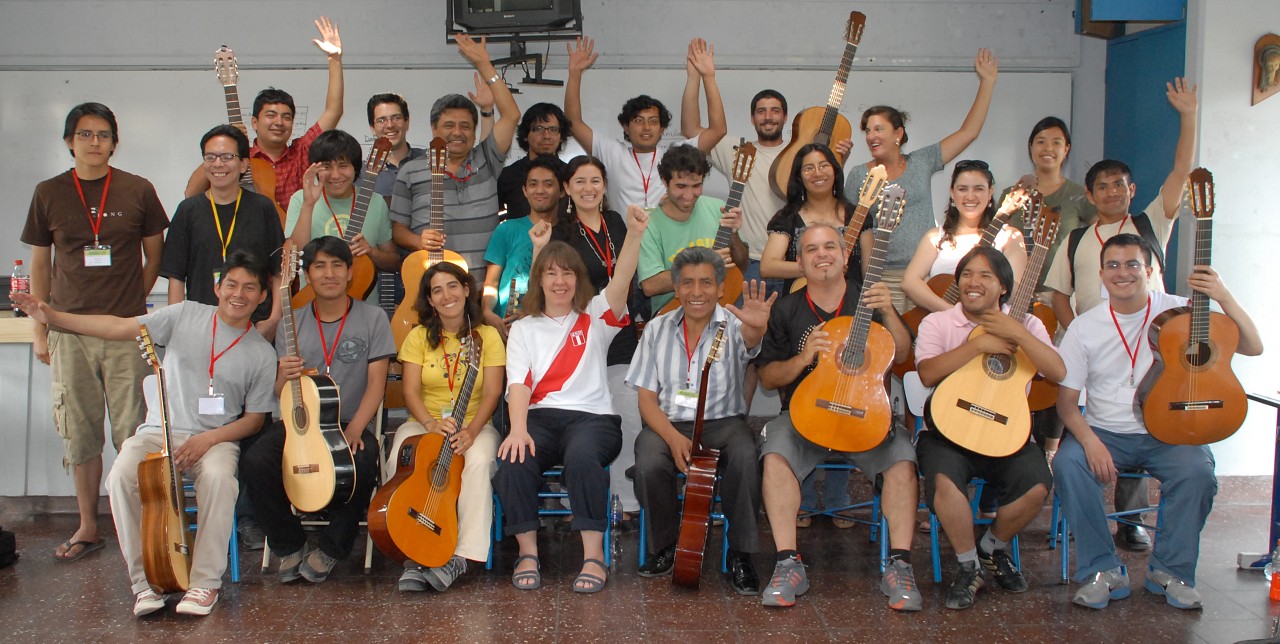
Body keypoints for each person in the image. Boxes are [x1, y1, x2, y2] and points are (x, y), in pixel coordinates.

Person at [14, 251, 278, 617]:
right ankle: (144, 584)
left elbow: (253, 420)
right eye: (231, 284)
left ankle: (204, 584)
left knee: (220, 479)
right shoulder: (184, 314)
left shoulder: (262, 354)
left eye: (250, 288)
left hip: (215, 439)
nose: (239, 293)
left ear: (263, 297)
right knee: (121, 475)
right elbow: (117, 327)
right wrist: (51, 317)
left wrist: (207, 440)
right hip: (158, 431)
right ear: (217, 287)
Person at [1053, 234, 1262, 610]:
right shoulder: (1085, 327)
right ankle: (1103, 570)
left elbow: (1252, 345)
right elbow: (1067, 404)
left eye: (1133, 264)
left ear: (1149, 271)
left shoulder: (1182, 313)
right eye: (1113, 265)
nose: (1123, 273)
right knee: (1068, 465)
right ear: (1101, 274)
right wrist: (1089, 441)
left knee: (1197, 472)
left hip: (1169, 431)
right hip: (1106, 432)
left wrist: (1223, 295)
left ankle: (1170, 572)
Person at [1043, 78, 1199, 551]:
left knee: (1146, 416)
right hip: (1094, 346)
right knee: (1091, 426)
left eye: (1119, 185)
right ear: (1089, 195)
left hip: (1153, 346)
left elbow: (1181, 171)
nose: (1111, 192)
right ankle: (1083, 513)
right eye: (1102, 186)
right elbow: (1057, 297)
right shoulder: (1074, 241)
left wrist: (1189, 116)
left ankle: (1128, 521)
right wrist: (1081, 333)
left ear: (1132, 190)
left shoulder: (1151, 223)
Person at [20, 101, 168, 563]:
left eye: (103, 135)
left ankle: (142, 528)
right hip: (68, 330)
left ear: (114, 142)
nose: (94, 142)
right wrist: (41, 329)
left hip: (126, 332)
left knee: (133, 433)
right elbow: (41, 263)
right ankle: (88, 525)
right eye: (85, 134)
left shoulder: (137, 189)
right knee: (79, 432)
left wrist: (132, 306)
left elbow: (155, 257)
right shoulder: (49, 193)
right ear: (69, 141)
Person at [754, 224, 918, 610]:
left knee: (903, 462)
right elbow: (766, 376)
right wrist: (804, 357)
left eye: (831, 247)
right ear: (800, 261)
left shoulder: (871, 299)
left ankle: (900, 565)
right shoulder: (787, 309)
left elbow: (905, 353)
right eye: (812, 249)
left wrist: (890, 309)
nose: (822, 254)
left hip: (867, 418)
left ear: (846, 256)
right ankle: (787, 564)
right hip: (803, 420)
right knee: (774, 454)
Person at [492, 204, 647, 593]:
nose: (559, 281)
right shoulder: (524, 328)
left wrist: (635, 233)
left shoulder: (595, 315)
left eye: (567, 273)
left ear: (579, 280)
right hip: (540, 419)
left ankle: (593, 556)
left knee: (582, 459)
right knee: (514, 459)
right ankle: (528, 552)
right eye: (551, 273)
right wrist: (518, 431)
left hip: (593, 420)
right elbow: (519, 385)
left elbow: (623, 277)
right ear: (539, 280)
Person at [913, 247, 1064, 609]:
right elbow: (928, 373)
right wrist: (978, 344)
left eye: (985, 276)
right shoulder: (939, 322)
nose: (973, 282)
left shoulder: (1028, 323)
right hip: (948, 432)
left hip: (1006, 432)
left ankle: (990, 548)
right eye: (967, 274)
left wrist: (1018, 334)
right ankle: (967, 566)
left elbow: (1057, 372)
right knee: (946, 484)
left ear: (1004, 288)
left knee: (1037, 485)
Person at [241, 237, 393, 584]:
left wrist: (356, 428)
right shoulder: (290, 323)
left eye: (337, 265)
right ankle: (288, 544)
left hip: (348, 421)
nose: (329, 274)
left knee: (363, 457)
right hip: (301, 426)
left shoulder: (373, 318)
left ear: (350, 272)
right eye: (320, 266)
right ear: (307, 275)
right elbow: (280, 393)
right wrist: (283, 374)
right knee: (256, 460)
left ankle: (331, 549)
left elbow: (377, 384)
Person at [627, 247, 774, 595]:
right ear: (676, 289)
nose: (697, 292)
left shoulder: (736, 324)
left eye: (706, 283)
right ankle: (666, 547)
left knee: (744, 454)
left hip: (723, 423)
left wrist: (757, 327)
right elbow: (646, 400)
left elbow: (751, 342)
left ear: (721, 288)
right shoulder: (656, 329)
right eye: (688, 283)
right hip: (669, 424)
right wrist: (674, 438)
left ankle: (742, 555)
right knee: (648, 459)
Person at [846, 48, 1000, 313]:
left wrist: (987, 82)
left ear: (898, 133)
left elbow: (969, 132)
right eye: (867, 130)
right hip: (881, 278)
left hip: (927, 275)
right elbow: (849, 228)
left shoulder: (921, 161)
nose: (871, 136)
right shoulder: (860, 175)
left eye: (878, 129)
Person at [385, 261, 504, 592]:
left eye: (453, 286)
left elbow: (493, 391)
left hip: (475, 424)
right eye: (437, 290)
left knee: (478, 461)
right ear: (430, 299)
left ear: (466, 290)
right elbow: (409, 391)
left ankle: (462, 556)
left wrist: (472, 431)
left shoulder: (488, 336)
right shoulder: (418, 337)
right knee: (401, 456)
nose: (447, 295)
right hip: (425, 422)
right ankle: (412, 551)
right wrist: (429, 423)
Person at [544, 156, 644, 528]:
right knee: (582, 422)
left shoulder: (618, 223)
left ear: (604, 185)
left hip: (621, 337)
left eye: (595, 181)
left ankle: (626, 502)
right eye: (580, 182)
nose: (589, 188)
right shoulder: (559, 232)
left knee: (629, 414)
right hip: (580, 338)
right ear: (567, 189)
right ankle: (581, 501)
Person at [389, 34, 520, 280]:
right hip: (433, 291)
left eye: (465, 126)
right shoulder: (411, 170)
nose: (457, 132)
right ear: (434, 129)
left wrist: (485, 65)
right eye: (449, 125)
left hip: (483, 290)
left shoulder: (487, 159)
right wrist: (418, 240)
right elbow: (397, 231)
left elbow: (511, 114)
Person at [185, 17, 345, 208]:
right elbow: (191, 194)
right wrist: (228, 145)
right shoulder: (238, 157)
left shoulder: (302, 151)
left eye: (286, 117)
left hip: (294, 235)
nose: (279, 122)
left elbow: (334, 111)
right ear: (254, 122)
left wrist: (334, 59)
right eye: (270, 115)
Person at [564, 36, 726, 210]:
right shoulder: (611, 153)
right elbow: (573, 122)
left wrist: (707, 77)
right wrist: (574, 73)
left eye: (653, 121)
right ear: (626, 126)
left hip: (666, 236)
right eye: (638, 121)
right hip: (624, 237)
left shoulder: (675, 156)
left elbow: (718, 130)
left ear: (662, 128)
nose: (646, 127)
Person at [163, 124, 285, 340]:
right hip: (200, 327)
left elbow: (278, 272)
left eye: (227, 156)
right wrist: (176, 323)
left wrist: (274, 320)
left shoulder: (263, 208)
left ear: (243, 164)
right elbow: (176, 276)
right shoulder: (188, 210)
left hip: (254, 326)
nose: (218, 164)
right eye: (210, 157)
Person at [901, 160, 1028, 314]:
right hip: (942, 325)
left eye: (978, 189)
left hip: (989, 328)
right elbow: (909, 282)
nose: (970, 196)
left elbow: (1016, 295)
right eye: (962, 189)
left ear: (990, 192)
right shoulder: (935, 237)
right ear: (952, 193)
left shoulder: (1009, 237)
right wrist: (953, 314)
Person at [638, 144, 748, 313]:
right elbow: (650, 286)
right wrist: (706, 263)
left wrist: (733, 235)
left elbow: (742, 264)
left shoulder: (717, 207)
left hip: (721, 309)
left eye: (696, 186)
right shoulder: (649, 225)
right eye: (681, 186)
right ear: (664, 181)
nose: (689, 196)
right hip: (673, 315)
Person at [285, 129, 400, 274]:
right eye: (326, 167)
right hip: (312, 295)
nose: (335, 175)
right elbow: (294, 261)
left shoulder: (376, 201)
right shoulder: (300, 199)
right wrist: (308, 204)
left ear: (355, 167)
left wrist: (371, 251)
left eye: (343, 165)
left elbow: (394, 262)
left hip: (364, 296)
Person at [760, 144, 871, 290]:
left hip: (851, 304)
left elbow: (869, 270)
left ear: (835, 171)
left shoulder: (858, 215)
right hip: (802, 305)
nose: (817, 173)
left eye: (824, 165)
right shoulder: (786, 218)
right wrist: (819, 267)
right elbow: (768, 267)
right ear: (799, 177)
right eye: (808, 168)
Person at [483, 155, 563, 326]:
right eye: (533, 184)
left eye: (548, 184)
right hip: (506, 328)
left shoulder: (568, 233)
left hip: (551, 326)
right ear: (525, 190)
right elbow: (491, 282)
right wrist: (488, 313)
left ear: (562, 190)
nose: (540, 190)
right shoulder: (506, 229)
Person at [497, 103, 570, 220]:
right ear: (525, 135)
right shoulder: (507, 176)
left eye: (553, 129)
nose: (546, 135)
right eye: (538, 129)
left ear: (561, 136)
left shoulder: (570, 175)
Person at [368, 93, 425, 201]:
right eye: (381, 120)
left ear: (407, 122)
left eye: (396, 117)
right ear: (372, 128)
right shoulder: (362, 174)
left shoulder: (430, 161)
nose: (390, 125)